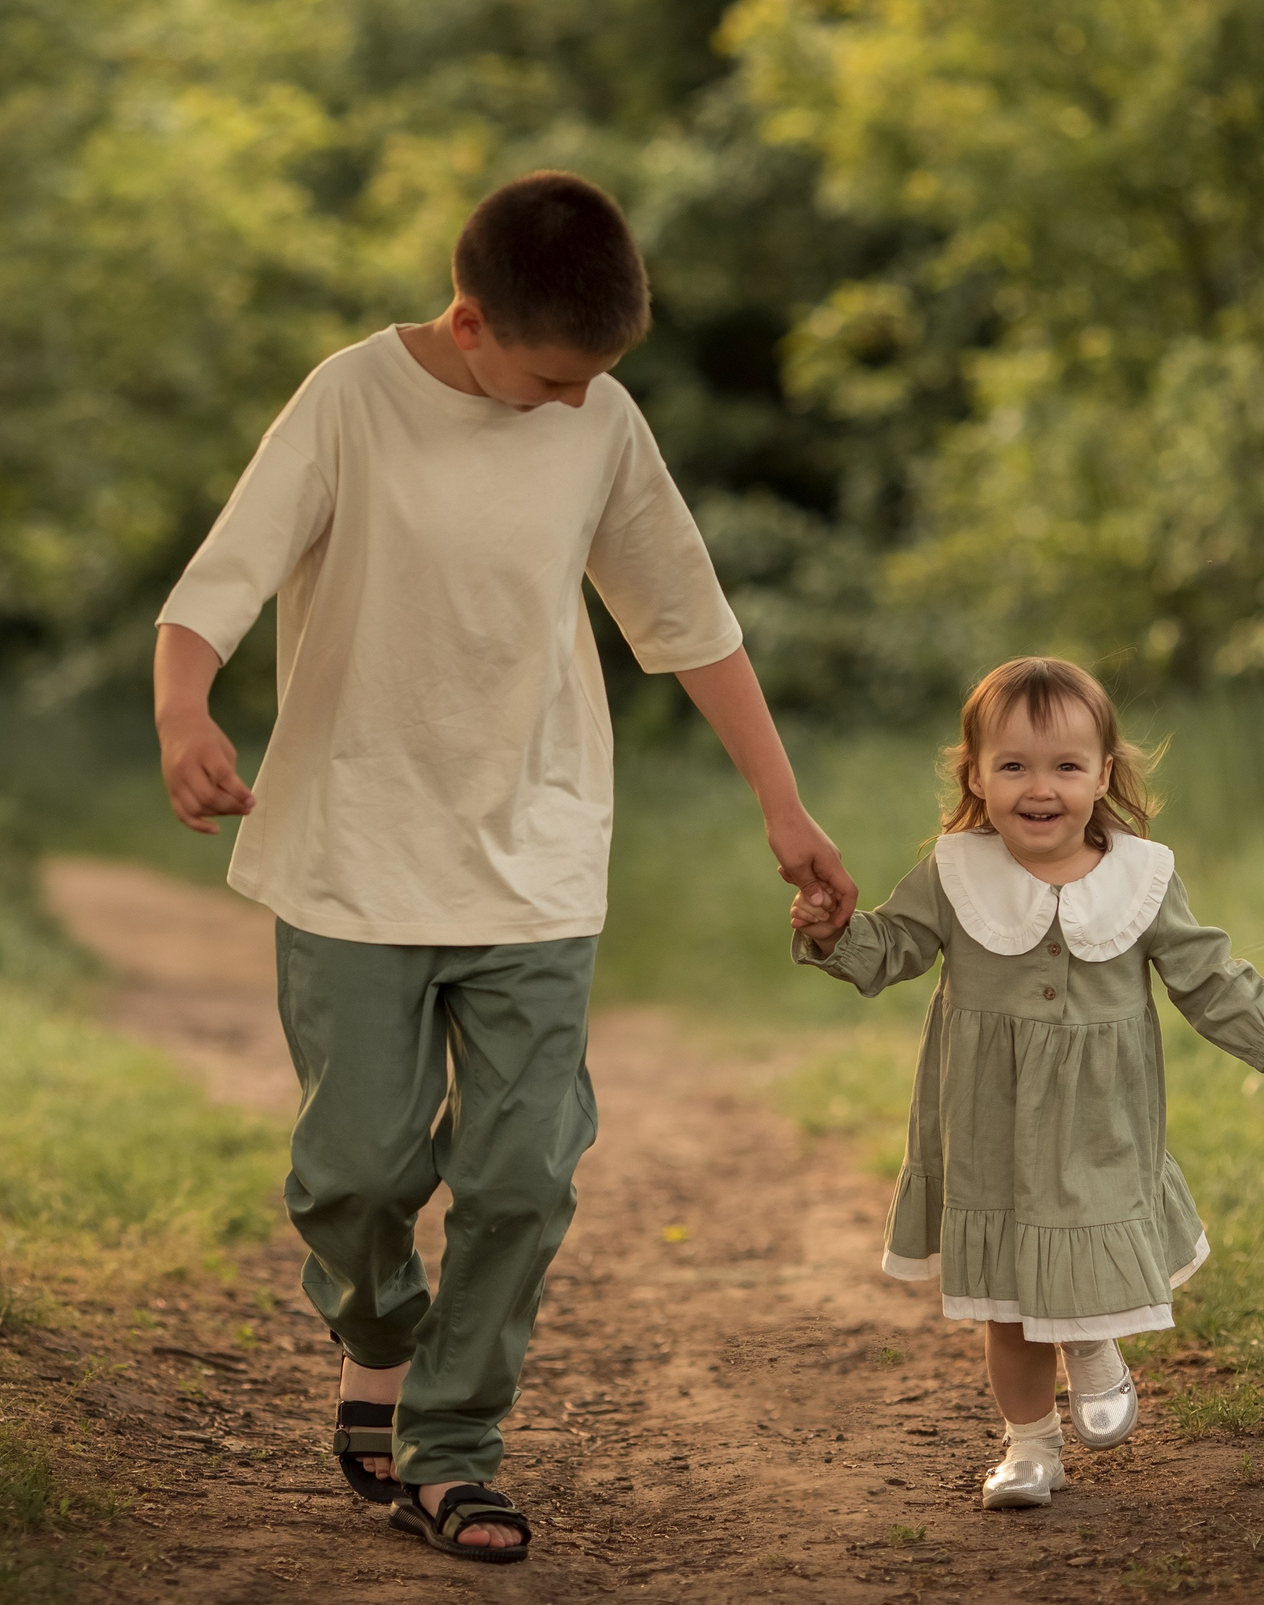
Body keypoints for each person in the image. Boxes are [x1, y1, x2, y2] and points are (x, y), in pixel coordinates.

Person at [153, 171, 857, 1563]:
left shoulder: (598, 419)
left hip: (536, 853)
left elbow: (687, 618)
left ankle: (453, 1447)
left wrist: (785, 807)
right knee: (354, 1173)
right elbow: (218, 582)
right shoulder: (350, 400)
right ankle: (381, 1340)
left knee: (524, 1173)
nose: (573, 402)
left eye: (597, 380)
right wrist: (184, 710)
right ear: (469, 322)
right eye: (550, 377)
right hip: (352, 853)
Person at [786, 656, 1264, 1509]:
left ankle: (1094, 1346)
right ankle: (1029, 1448)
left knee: (1089, 1240)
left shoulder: (1141, 876)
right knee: (1008, 1298)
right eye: (1012, 766)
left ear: (1103, 774)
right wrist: (834, 933)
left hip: (1100, 1119)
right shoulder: (955, 871)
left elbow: (1207, 976)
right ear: (975, 774)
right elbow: (892, 946)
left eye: (1065, 766)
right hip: (987, 1124)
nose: (1039, 789)